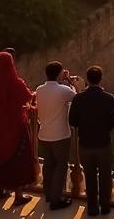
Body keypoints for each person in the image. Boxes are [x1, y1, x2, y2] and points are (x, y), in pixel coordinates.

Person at [0, 50, 36, 207]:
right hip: (15, 126)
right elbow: (28, 97)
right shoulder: (16, 83)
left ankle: (1, 190)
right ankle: (18, 196)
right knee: (18, 160)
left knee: (0, 157)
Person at [69, 65, 114, 216]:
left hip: (85, 143)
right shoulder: (109, 99)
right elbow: (111, 123)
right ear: (101, 79)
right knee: (105, 176)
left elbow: (72, 121)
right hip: (103, 143)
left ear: (87, 80)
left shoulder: (78, 98)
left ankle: (92, 207)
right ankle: (105, 206)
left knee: (89, 177)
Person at [36, 60, 78, 209]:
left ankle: (48, 194)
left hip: (44, 134)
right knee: (61, 166)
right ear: (59, 74)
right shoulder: (63, 90)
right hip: (60, 135)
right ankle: (56, 199)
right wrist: (69, 80)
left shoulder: (40, 89)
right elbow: (77, 97)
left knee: (48, 165)